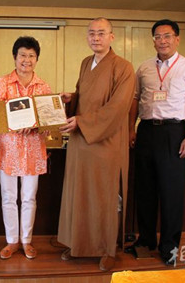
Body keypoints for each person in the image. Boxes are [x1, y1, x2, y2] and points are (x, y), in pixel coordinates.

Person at [127, 19, 185, 265]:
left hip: (174, 132)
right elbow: (134, 101)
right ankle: (146, 240)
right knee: (145, 190)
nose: (162, 41)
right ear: (153, 40)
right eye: (158, 37)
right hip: (147, 131)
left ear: (177, 39)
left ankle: (169, 247)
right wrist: (131, 128)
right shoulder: (143, 68)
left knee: (172, 192)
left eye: (167, 36)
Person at [57, 17, 135, 272]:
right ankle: (79, 245)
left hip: (106, 141)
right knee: (80, 194)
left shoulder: (123, 67)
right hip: (81, 141)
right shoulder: (85, 63)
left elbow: (117, 108)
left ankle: (107, 249)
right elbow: (87, 97)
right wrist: (72, 98)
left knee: (105, 196)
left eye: (101, 33)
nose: (96, 38)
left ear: (112, 37)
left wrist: (81, 122)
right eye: (91, 33)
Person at [0, 36, 52, 260]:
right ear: (15, 57)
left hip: (34, 150)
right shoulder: (2, 83)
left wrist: (37, 126)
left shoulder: (43, 86)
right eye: (22, 55)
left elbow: (48, 120)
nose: (26, 60)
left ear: (36, 59)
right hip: (8, 149)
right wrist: (18, 124)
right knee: (8, 197)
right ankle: (12, 241)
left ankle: (26, 240)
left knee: (29, 197)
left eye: (31, 56)